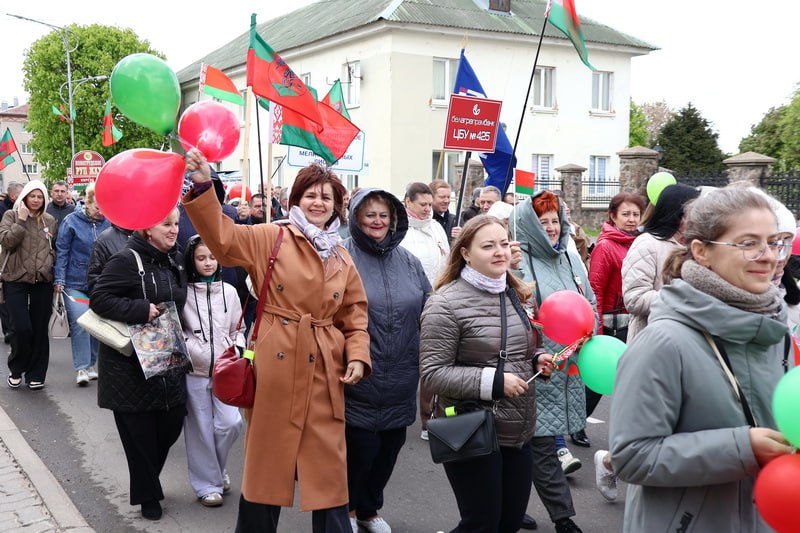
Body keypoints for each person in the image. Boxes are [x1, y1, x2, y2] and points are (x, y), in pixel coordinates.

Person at [183, 150, 371, 533]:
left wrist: (357, 354)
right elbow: (223, 240)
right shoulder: (273, 235)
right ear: (296, 199)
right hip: (277, 364)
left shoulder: (341, 254)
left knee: (329, 474)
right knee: (267, 466)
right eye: (311, 195)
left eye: (327, 198)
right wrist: (204, 185)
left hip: (324, 369)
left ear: (336, 206)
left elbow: (355, 312)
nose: (318, 203)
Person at [609, 187, 794, 531]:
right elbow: (631, 457)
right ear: (702, 252)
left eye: (774, 241)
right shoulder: (663, 343)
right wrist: (741, 448)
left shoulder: (777, 334)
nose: (769, 256)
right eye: (749, 243)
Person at [419, 214, 554, 533]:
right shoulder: (444, 304)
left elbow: (529, 347)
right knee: (481, 524)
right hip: (470, 426)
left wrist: (540, 359)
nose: (500, 252)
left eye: (504, 243)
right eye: (488, 246)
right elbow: (433, 374)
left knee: (508, 523)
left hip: (517, 429)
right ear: (465, 252)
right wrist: (493, 382)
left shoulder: (518, 294)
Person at [90, 208, 188, 520]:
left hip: (165, 357)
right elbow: (99, 298)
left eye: (175, 223)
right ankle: (148, 495)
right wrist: (138, 309)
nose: (173, 230)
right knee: (140, 433)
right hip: (128, 367)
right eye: (166, 225)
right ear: (147, 229)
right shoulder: (125, 259)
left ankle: (147, 482)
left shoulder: (175, 258)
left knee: (172, 423)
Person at [342, 188, 430, 533]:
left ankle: (369, 509)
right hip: (359, 373)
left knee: (389, 447)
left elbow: (429, 305)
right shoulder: (341, 256)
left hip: (402, 374)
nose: (377, 221)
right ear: (355, 218)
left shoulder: (409, 261)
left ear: (394, 218)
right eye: (369, 215)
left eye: (383, 215)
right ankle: (347, 509)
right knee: (359, 449)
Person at [512, 190, 595, 533]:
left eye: (555, 220)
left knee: (529, 446)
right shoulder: (517, 260)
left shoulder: (571, 257)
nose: (551, 227)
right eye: (542, 221)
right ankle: (563, 518)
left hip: (569, 364)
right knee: (538, 444)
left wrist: (589, 328)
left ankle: (512, 508)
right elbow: (517, 312)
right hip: (535, 367)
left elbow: (588, 299)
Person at [181, 235, 244, 508]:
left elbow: (238, 329)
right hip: (194, 371)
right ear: (192, 261)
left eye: (212, 257)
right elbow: (178, 330)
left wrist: (238, 349)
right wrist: (191, 349)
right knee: (200, 430)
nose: (208, 263)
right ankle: (207, 485)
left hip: (225, 371)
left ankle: (215, 472)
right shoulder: (183, 292)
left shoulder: (229, 292)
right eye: (201, 258)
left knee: (231, 423)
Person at [581, 193, 644, 438]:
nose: (631, 220)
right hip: (612, 323)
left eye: (635, 214)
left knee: (630, 379)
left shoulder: (639, 243)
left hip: (634, 319)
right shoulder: (605, 246)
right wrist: (596, 329)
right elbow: (595, 289)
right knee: (599, 380)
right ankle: (577, 423)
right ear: (613, 216)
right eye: (625, 214)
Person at [621, 184, 700, 341]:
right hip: (651, 340)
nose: (699, 217)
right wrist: (681, 297)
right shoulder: (647, 244)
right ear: (678, 215)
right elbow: (634, 299)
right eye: (694, 212)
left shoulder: (695, 246)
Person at [0, 180, 57, 390]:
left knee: (40, 329)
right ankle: (16, 368)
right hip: (15, 279)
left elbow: (54, 248)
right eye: (32, 196)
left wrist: (53, 272)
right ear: (24, 196)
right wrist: (22, 220)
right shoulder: (11, 216)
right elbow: (7, 242)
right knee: (21, 328)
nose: (35, 200)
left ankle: (36, 373)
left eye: (40, 196)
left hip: (42, 280)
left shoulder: (49, 220)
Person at [53, 183, 111, 386]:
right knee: (80, 323)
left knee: (96, 326)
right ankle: (81, 368)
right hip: (74, 282)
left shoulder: (109, 222)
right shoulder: (71, 221)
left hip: (100, 283)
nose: (101, 212)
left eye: (104, 207)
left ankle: (91, 364)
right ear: (87, 202)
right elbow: (62, 251)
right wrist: (59, 279)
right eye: (97, 207)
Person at [399, 182, 450, 287]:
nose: (427, 209)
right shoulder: (397, 229)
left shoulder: (436, 227)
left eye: (430, 204)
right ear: (408, 202)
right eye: (423, 204)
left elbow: (447, 262)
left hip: (438, 293)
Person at [0, 181, 24, 344]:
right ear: (14, 195)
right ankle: (8, 328)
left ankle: (12, 328)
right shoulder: (6, 212)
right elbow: (7, 239)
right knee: (5, 296)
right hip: (5, 256)